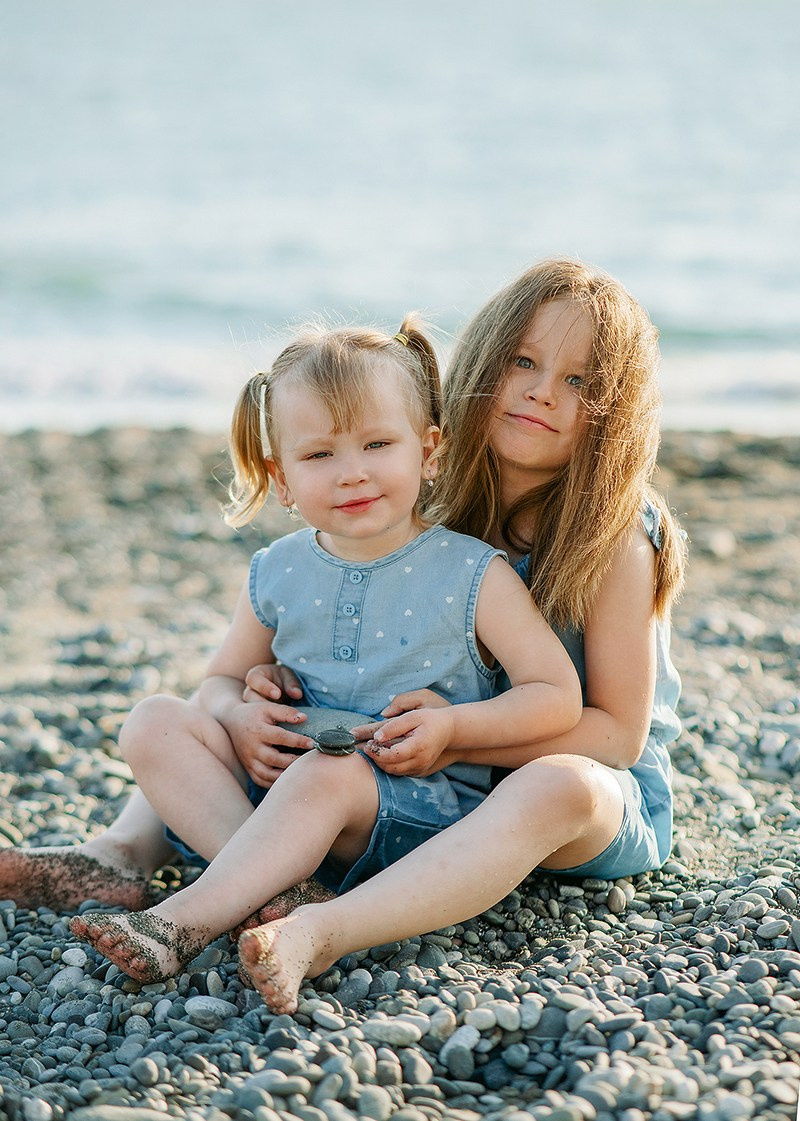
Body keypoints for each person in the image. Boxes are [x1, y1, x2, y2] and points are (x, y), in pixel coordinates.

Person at [68, 314, 582, 982]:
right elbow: (219, 681)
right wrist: (237, 717)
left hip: (407, 809)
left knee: (329, 772)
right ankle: (278, 890)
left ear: (429, 451)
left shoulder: (473, 573)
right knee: (153, 720)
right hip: (276, 795)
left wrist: (455, 727)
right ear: (281, 479)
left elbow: (557, 695)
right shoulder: (278, 569)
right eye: (319, 455)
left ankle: (188, 917)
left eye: (376, 444)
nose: (351, 474)